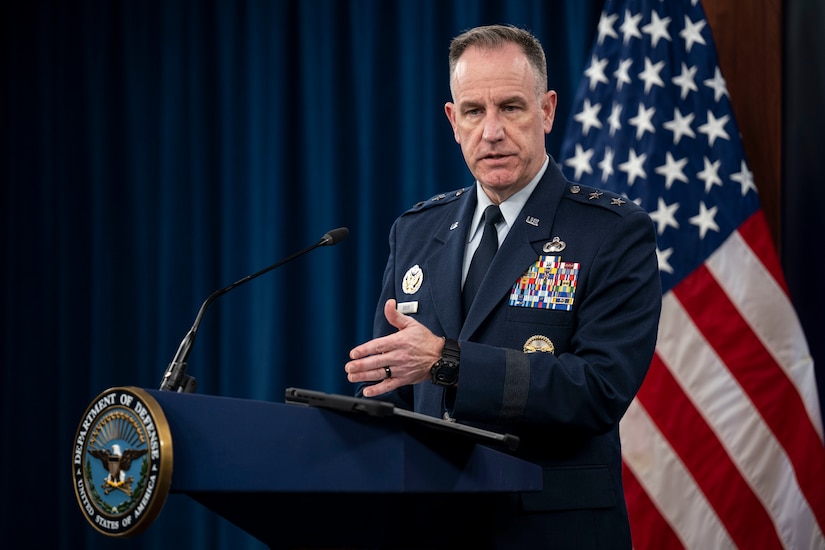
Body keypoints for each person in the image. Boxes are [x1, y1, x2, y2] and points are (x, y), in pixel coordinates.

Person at [345, 24, 661, 549]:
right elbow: (389, 384)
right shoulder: (417, 231)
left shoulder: (610, 231)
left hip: (551, 530)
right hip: (432, 530)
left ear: (547, 110)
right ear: (453, 120)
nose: (491, 131)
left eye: (511, 108)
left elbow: (598, 389)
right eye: (473, 111)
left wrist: (448, 361)